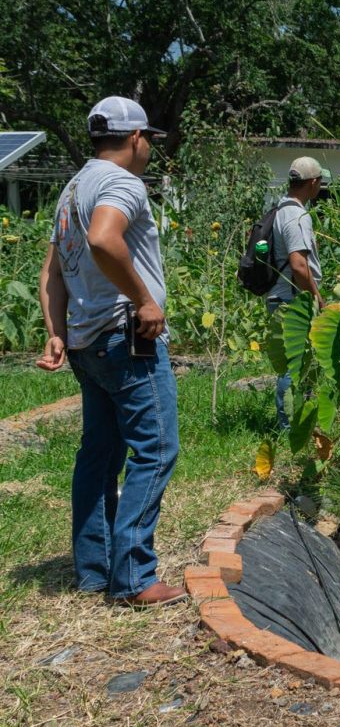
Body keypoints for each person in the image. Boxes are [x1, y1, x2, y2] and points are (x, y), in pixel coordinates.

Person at [35, 96, 185, 607]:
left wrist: (56, 330)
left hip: (86, 340)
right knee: (157, 448)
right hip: (128, 339)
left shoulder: (73, 188)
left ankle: (95, 570)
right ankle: (135, 578)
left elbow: (51, 274)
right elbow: (103, 239)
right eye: (150, 142)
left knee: (99, 455)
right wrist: (145, 299)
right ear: (138, 138)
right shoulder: (122, 182)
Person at [269, 157, 327, 429]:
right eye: (321, 182)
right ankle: (290, 428)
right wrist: (317, 297)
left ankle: (295, 423)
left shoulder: (281, 208)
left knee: (296, 365)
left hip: (284, 296)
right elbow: (299, 265)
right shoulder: (296, 215)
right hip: (293, 299)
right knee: (294, 367)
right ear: (313, 182)